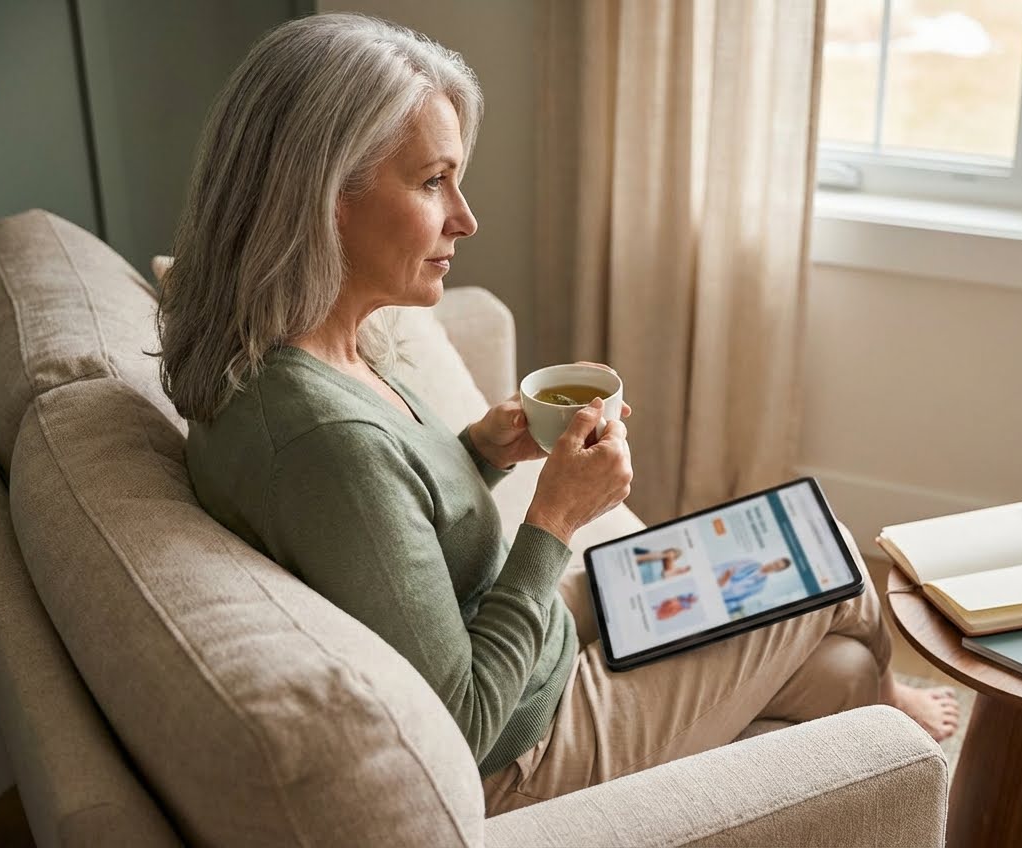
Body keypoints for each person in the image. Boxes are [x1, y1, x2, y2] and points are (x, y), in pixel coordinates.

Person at [157, 13, 959, 819]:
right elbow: (464, 722)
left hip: (526, 634)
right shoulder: (322, 438)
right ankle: (887, 697)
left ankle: (871, 699)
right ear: (324, 194)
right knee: (831, 567)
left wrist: (480, 451)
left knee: (833, 652)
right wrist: (555, 520)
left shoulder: (302, 354)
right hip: (527, 745)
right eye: (433, 181)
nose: (465, 218)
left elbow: (383, 529)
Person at [713, 556, 792, 616]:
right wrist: (723, 579)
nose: (773, 566)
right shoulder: (750, 563)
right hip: (716, 581)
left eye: (777, 567)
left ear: (777, 571)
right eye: (775, 563)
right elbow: (725, 567)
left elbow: (739, 599)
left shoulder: (759, 587)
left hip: (723, 597)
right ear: (773, 560)